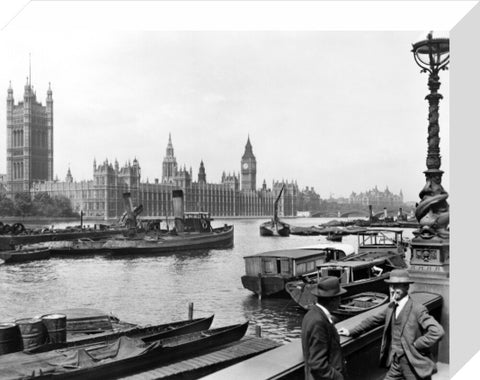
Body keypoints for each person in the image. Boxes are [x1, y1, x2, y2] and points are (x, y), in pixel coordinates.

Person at [337, 269, 444, 380]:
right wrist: (351, 331)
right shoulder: (391, 307)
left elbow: (437, 331)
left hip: (413, 364)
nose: (393, 289)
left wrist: (417, 344)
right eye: (391, 286)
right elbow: (373, 320)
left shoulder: (418, 309)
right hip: (395, 363)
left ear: (407, 287)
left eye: (397, 286)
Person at [301, 276, 347, 380]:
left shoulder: (312, 314)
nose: (340, 301)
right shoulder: (318, 321)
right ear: (333, 300)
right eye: (339, 297)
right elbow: (318, 364)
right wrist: (338, 377)